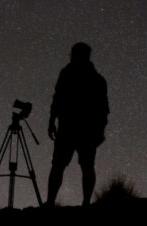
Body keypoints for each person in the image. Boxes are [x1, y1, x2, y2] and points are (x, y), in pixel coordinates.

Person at [46, 42, 110, 207]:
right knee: (83, 166)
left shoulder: (68, 74)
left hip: (71, 129)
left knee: (60, 166)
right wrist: (100, 131)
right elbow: (104, 110)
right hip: (85, 130)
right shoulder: (97, 79)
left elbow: (57, 98)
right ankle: (85, 202)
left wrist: (52, 120)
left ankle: (51, 202)